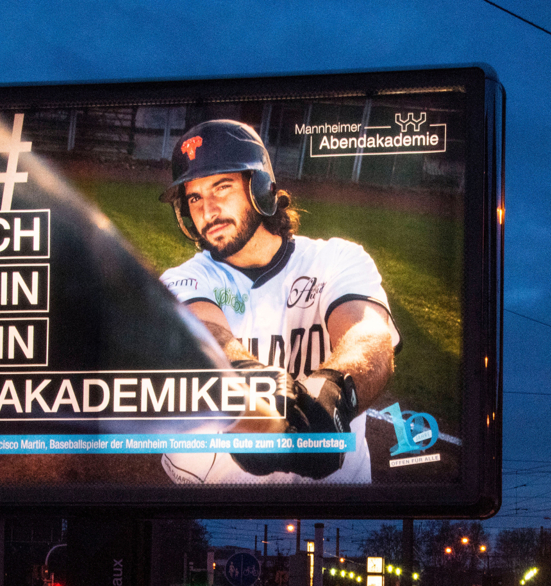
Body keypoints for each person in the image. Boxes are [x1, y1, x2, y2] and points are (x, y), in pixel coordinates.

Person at [158, 119, 401, 484]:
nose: (207, 210)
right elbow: (201, 330)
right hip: (213, 507)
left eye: (221, 188)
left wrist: (334, 392)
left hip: (337, 506)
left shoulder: (337, 260)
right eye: (194, 197)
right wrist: (246, 375)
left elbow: (370, 334)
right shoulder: (183, 278)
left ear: (260, 187)